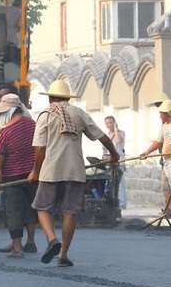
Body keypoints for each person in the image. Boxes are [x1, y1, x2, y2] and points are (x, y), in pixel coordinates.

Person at [29, 80, 119, 267]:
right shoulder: (78, 114)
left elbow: (40, 149)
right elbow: (102, 137)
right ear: (68, 98)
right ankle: (63, 255)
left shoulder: (45, 116)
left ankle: (52, 239)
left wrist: (35, 172)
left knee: (42, 208)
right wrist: (114, 155)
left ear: (50, 98)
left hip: (50, 171)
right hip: (74, 171)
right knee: (69, 212)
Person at [0, 93, 38, 257]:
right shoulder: (33, 125)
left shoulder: (4, 131)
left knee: (14, 211)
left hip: (12, 177)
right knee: (30, 207)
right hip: (32, 174)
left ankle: (17, 247)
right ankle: (30, 242)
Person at [102, 115, 127, 208]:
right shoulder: (106, 135)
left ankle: (122, 203)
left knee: (120, 183)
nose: (109, 125)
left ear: (114, 123)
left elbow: (118, 140)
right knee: (108, 182)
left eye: (111, 123)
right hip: (108, 161)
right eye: (107, 123)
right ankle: (112, 202)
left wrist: (116, 129)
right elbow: (104, 149)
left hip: (119, 160)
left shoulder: (121, 132)